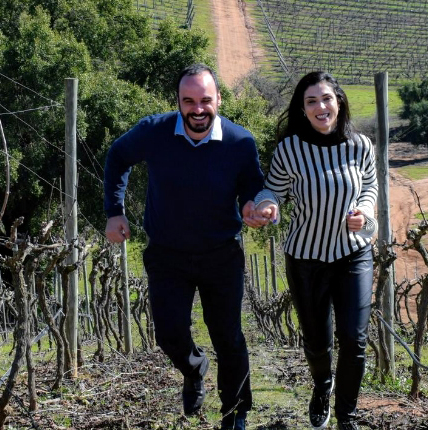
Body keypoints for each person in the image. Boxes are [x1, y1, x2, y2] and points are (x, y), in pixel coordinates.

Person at [103, 64, 264, 430]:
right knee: (169, 334)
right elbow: (117, 157)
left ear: (218, 99)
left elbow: (252, 187)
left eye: (205, 100)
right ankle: (194, 370)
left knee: (228, 336)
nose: (197, 109)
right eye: (188, 100)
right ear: (177, 101)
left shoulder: (240, 143)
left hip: (221, 253)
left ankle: (235, 412)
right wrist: (115, 211)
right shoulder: (154, 131)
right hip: (167, 253)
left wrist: (253, 206)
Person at [251, 71, 377, 430]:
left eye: (326, 99)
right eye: (311, 102)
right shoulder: (290, 149)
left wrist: (365, 213)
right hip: (305, 258)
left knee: (354, 339)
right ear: (303, 109)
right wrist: (268, 205)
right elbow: (271, 190)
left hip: (353, 254)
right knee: (317, 340)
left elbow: (369, 188)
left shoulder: (361, 145)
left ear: (338, 101)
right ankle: (322, 385)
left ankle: (346, 417)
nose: (320, 107)